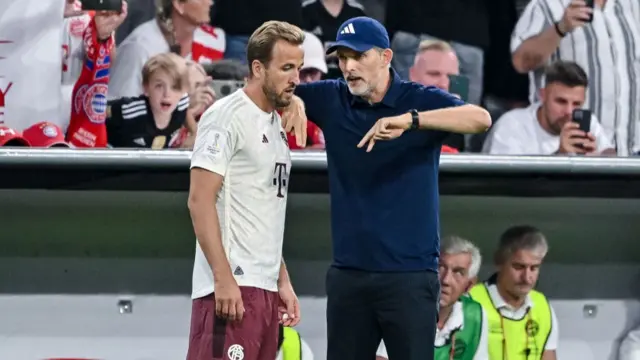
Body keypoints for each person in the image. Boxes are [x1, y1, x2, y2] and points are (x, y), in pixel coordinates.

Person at [286, 16, 491, 360]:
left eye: (358, 56)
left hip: (409, 278)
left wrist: (411, 121)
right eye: (342, 58)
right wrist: (291, 98)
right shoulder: (332, 97)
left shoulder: (419, 98)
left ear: (385, 57)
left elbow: (480, 118)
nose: (349, 67)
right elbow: (265, 88)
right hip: (349, 275)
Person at [185, 21, 305, 360]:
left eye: (297, 67)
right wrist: (222, 278)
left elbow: (264, 211)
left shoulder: (275, 126)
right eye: (286, 68)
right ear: (257, 67)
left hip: (264, 289)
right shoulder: (225, 117)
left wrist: (281, 280)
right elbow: (199, 201)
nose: (295, 78)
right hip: (230, 288)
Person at [376, 236, 490, 360]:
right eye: (440, 267)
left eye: (458, 272)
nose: (446, 280)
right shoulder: (402, 308)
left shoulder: (475, 315)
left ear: (469, 285)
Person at [483, 61, 615, 155]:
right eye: (561, 101)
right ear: (543, 96)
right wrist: (561, 155)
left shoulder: (587, 123)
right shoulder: (512, 125)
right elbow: (510, 184)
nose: (569, 111)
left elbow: (610, 154)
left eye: (576, 104)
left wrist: (598, 159)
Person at [469, 226, 559, 360]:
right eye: (518, 267)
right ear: (498, 262)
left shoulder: (543, 306)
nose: (526, 277)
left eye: (534, 268)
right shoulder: (470, 302)